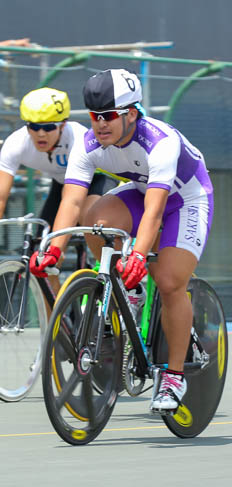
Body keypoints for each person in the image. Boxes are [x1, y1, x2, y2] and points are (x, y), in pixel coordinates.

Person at [29, 69, 214, 413]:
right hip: (142, 192)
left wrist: (140, 255)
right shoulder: (89, 145)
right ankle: (130, 289)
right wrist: (52, 248)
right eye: (95, 116)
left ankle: (174, 376)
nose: (100, 124)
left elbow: (155, 213)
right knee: (95, 220)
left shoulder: (159, 141)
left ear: (131, 113)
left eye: (109, 116)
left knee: (171, 281)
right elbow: (70, 201)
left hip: (186, 199)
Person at [0, 87, 109, 292]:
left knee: (90, 220)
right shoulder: (16, 143)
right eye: (33, 127)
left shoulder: (78, 137)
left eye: (49, 127)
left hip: (97, 180)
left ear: (63, 125)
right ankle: (56, 319)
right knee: (41, 255)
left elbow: (73, 200)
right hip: (61, 184)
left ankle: (110, 275)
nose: (41, 134)